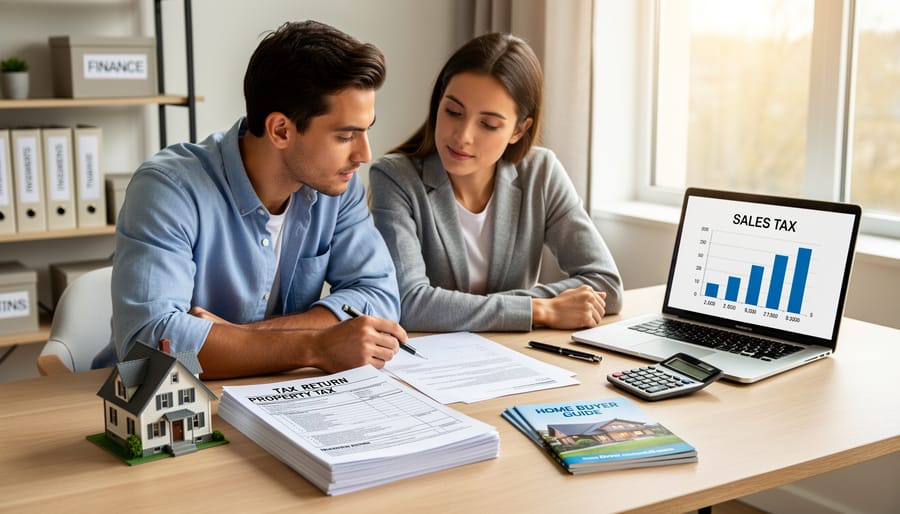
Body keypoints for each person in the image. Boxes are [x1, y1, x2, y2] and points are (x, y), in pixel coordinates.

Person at [92, 20, 407, 379]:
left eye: (366, 131)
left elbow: (378, 297)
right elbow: (149, 348)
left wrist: (238, 338)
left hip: (278, 394)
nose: (364, 154)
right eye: (346, 135)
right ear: (281, 130)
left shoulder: (337, 186)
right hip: (155, 404)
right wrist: (315, 346)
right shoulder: (168, 189)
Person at [369, 32, 624, 332]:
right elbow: (409, 302)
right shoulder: (396, 178)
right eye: (453, 111)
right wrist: (537, 309)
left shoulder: (541, 172)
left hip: (516, 355)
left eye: (488, 124)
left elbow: (605, 285)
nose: (463, 135)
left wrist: (464, 309)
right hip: (429, 365)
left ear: (519, 130)